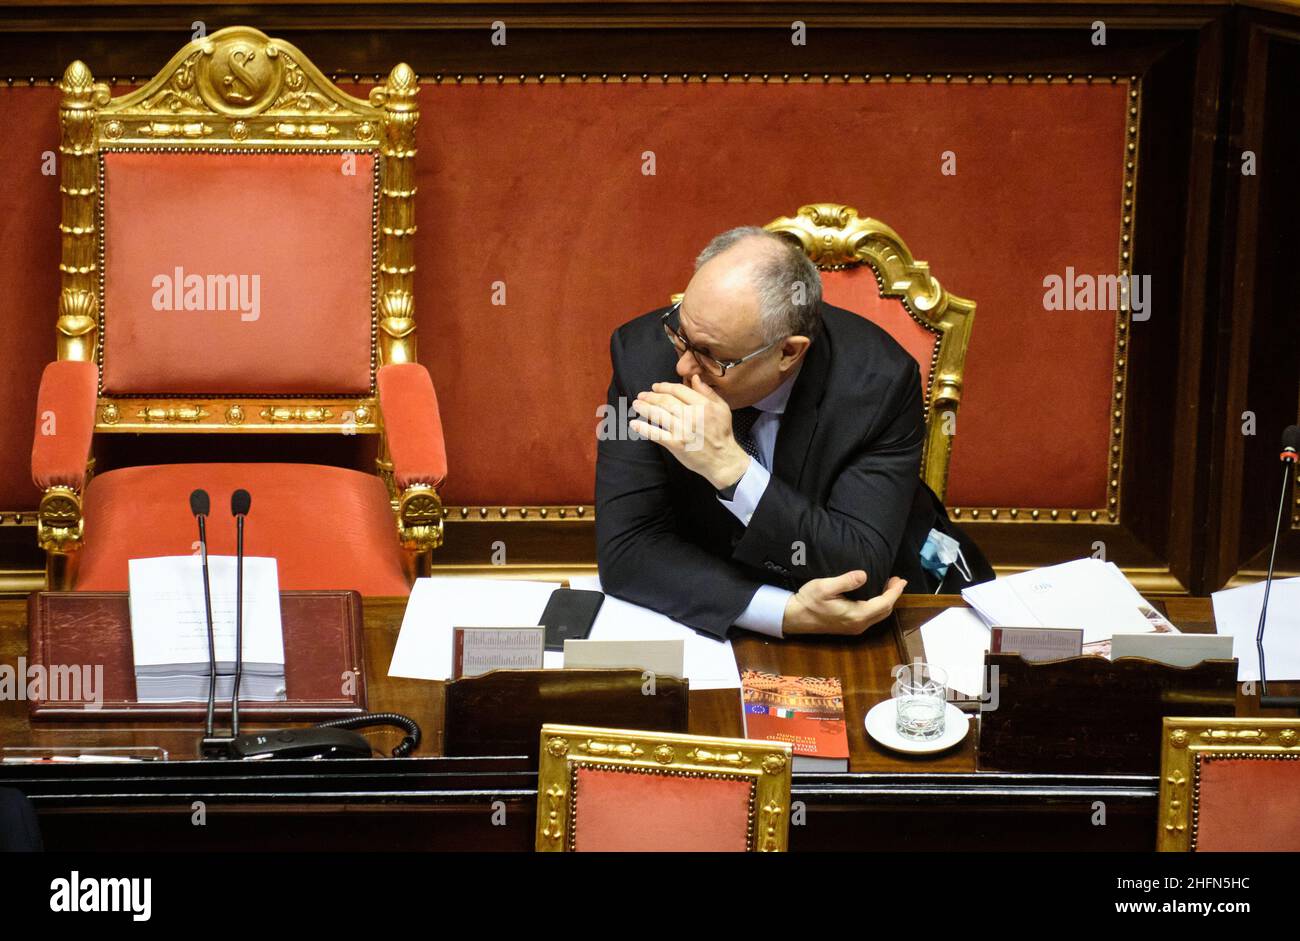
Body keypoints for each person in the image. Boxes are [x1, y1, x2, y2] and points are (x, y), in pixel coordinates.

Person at [595, 226, 991, 639]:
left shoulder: (877, 386)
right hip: (712, 618)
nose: (683, 368)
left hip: (866, 627)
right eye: (679, 334)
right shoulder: (641, 359)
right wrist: (780, 611)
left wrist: (733, 471)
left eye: (712, 357)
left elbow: (857, 569)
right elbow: (627, 549)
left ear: (789, 352)